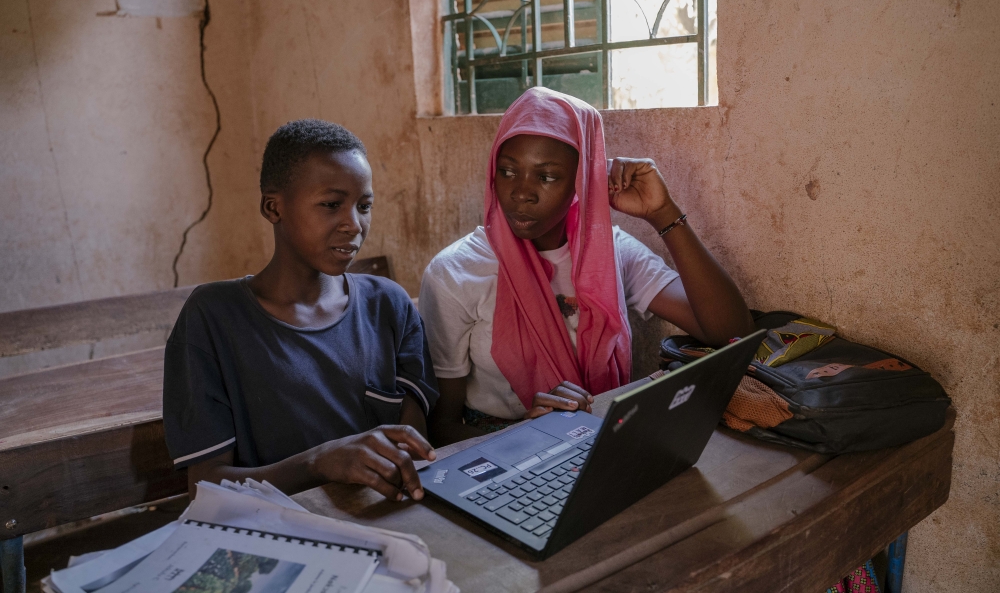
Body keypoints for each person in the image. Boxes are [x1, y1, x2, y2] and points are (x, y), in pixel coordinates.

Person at [420, 88, 754, 445]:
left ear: (582, 179)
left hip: (601, 438)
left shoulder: (609, 254)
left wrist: (663, 214)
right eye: (507, 171)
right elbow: (441, 427)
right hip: (503, 450)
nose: (521, 193)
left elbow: (732, 334)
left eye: (546, 177)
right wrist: (526, 435)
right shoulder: (455, 273)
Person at [163, 119, 439, 501]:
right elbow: (205, 486)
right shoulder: (214, 318)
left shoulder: (389, 308)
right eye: (331, 205)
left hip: (386, 519)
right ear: (273, 208)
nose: (353, 224)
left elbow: (414, 453)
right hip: (281, 534)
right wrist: (318, 463)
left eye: (364, 206)